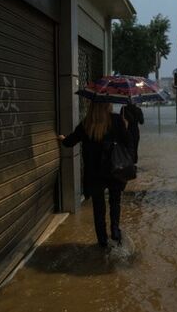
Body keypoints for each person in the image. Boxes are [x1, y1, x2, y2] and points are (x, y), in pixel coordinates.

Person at [58, 102, 131, 248]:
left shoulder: (87, 123)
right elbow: (128, 143)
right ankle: (115, 232)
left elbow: (70, 142)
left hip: (95, 173)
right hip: (114, 170)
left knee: (99, 207)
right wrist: (125, 127)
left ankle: (102, 241)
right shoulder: (117, 120)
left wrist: (62, 139)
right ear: (107, 105)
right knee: (115, 201)